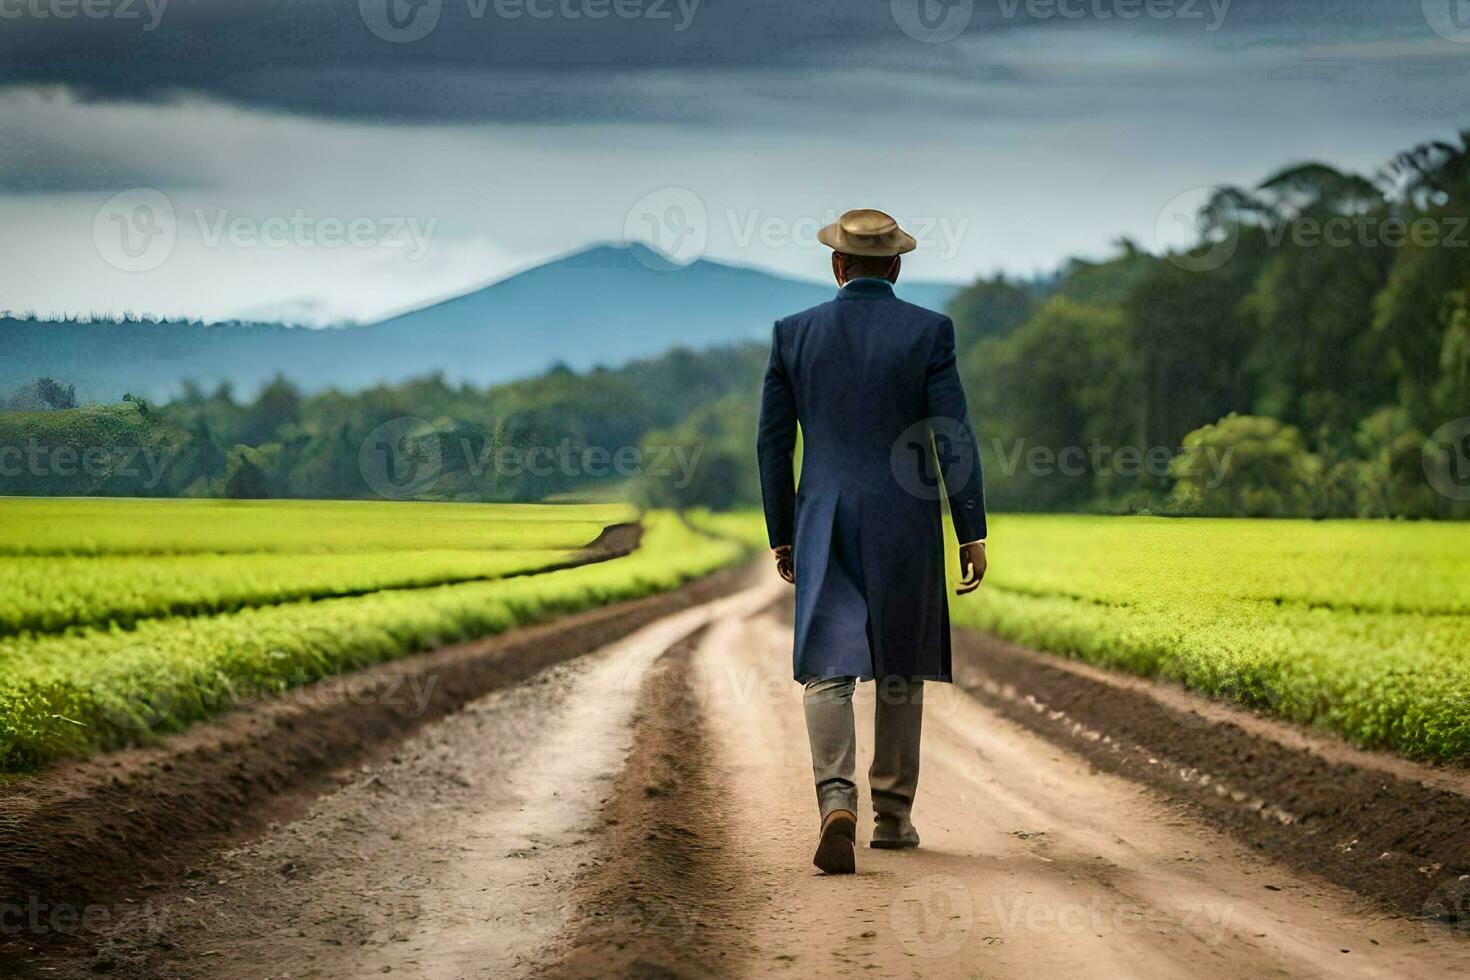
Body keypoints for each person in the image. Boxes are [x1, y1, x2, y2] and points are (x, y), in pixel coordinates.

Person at [756, 208, 987, 874]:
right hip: (906, 522)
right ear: (895, 267)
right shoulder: (929, 332)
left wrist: (784, 533)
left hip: (824, 516)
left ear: (836, 266)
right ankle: (893, 815)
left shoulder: (792, 335)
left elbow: (773, 443)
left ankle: (836, 800)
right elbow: (952, 437)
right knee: (899, 667)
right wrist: (968, 528)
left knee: (828, 666)